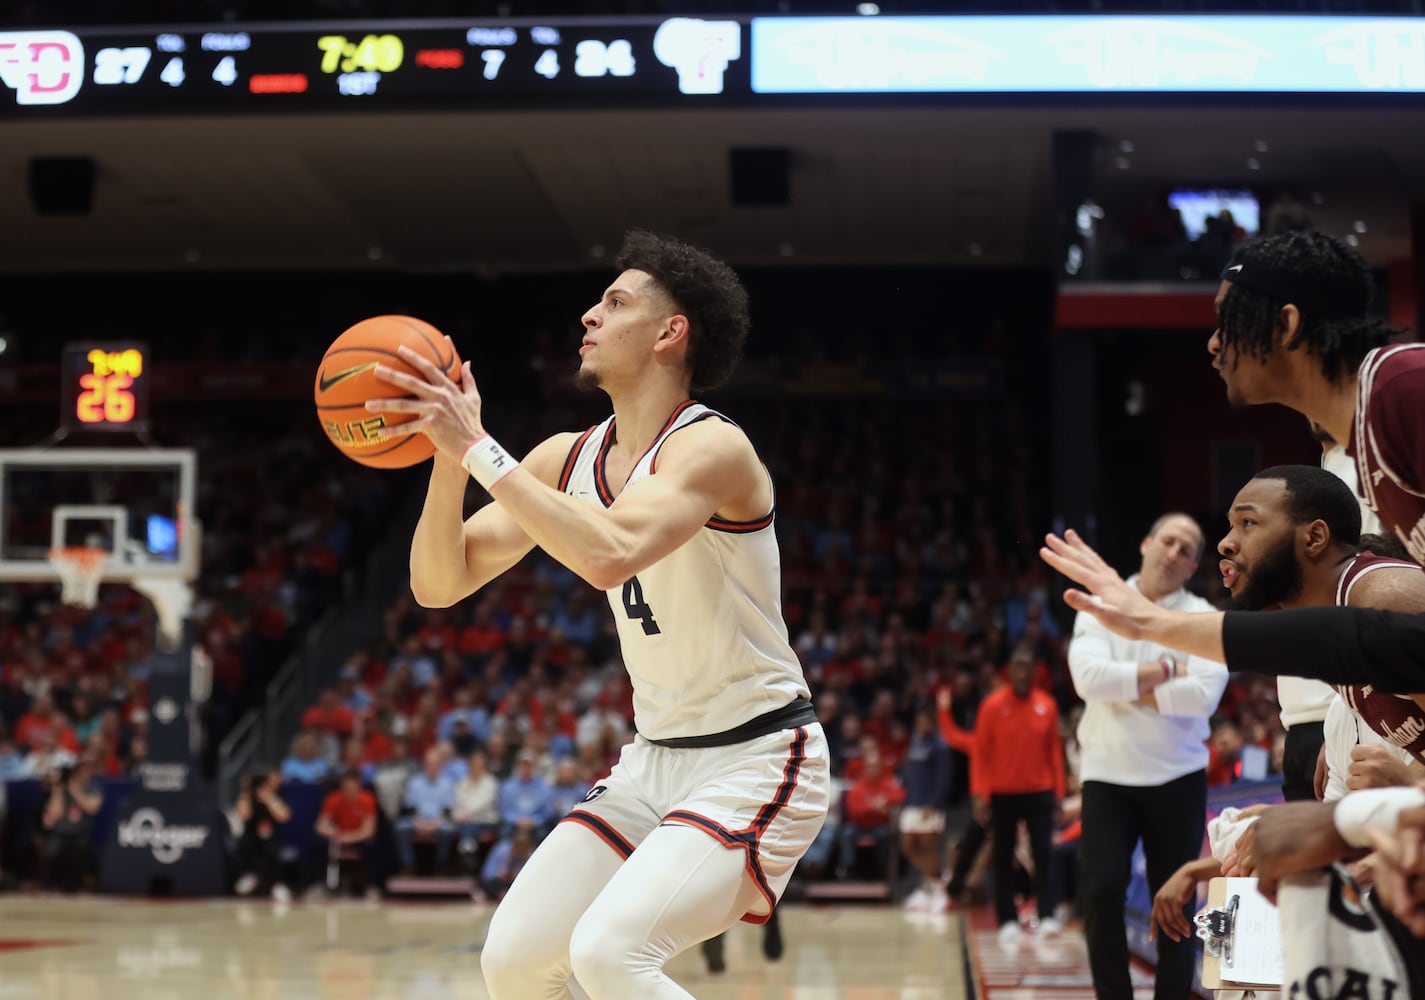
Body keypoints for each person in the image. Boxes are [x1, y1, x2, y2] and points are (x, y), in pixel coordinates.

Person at [370, 230, 829, 999]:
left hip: (756, 757)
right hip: (653, 762)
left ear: (668, 332)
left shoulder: (711, 448)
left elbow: (611, 552)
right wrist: (446, 458)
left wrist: (479, 446)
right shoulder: (563, 456)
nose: (588, 314)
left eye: (614, 302)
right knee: (512, 964)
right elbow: (437, 584)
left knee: (612, 956)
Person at [1066, 512, 1226, 1000]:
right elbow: (1088, 680)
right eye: (1168, 542)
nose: (1174, 553)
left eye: (1186, 549)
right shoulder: (1098, 603)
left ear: (1194, 564)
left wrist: (1128, 684)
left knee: (1175, 901)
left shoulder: (1201, 615)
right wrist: (1166, 668)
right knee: (1100, 892)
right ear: (1146, 543)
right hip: (1107, 774)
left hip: (1178, 774)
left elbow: (1204, 695)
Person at [974, 647, 1067, 947]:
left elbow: (1054, 750)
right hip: (1003, 793)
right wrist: (979, 793)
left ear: (1035, 672)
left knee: (1045, 855)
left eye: (1028, 667)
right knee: (1003, 858)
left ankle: (1047, 915)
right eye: (1017, 667)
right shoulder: (991, 706)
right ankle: (1007, 919)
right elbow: (981, 753)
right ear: (1009, 671)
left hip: (1040, 791)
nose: (1023, 673)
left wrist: (1060, 791)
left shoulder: (1047, 706)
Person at [898, 707, 952, 912]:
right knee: (908, 846)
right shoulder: (914, 743)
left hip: (930, 806)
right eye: (919, 722)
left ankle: (933, 889)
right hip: (912, 803)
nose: (921, 726)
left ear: (933, 723)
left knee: (929, 849)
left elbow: (944, 778)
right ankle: (936, 881)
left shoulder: (940, 746)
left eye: (925, 722)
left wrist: (935, 802)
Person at [316, 769, 380, 897]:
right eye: (346, 788)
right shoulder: (333, 799)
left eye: (353, 787)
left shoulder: (367, 800)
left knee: (371, 845)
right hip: (338, 838)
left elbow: (369, 830)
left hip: (358, 838)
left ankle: (370, 885)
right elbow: (320, 826)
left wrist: (349, 838)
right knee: (320, 846)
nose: (350, 791)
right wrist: (332, 832)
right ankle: (324, 884)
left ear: (358, 786)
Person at [234, 768, 293, 900]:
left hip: (272, 837)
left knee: (272, 850)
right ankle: (250, 875)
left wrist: (269, 797)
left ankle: (277, 884)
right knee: (243, 844)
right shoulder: (248, 796)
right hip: (252, 836)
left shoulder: (277, 795)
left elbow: (284, 816)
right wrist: (245, 791)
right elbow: (243, 816)